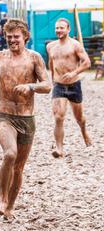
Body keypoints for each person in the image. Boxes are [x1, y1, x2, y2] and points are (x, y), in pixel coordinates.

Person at [0, 19, 52, 219]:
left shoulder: (34, 58)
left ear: (25, 37)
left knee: (19, 167)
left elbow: (47, 85)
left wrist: (30, 86)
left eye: (16, 37)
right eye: (9, 37)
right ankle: (2, 199)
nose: (12, 40)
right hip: (4, 116)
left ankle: (10, 207)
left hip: (26, 118)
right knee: (9, 154)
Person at [46, 18, 92, 158]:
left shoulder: (75, 45)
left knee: (79, 118)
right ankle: (59, 149)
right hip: (59, 85)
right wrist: (53, 79)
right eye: (57, 28)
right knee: (59, 117)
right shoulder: (50, 46)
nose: (58, 30)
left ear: (68, 29)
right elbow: (51, 63)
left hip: (74, 85)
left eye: (61, 28)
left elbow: (87, 62)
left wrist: (74, 72)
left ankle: (84, 133)